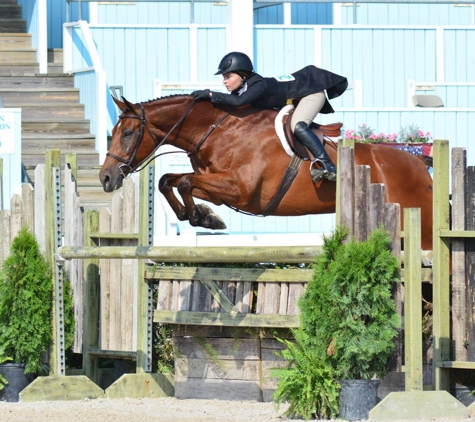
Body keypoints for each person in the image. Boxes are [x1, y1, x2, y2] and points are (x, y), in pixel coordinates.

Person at [191, 52, 348, 182]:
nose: (224, 82)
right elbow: (234, 104)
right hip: (295, 97)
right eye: (224, 77)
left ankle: (328, 165)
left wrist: (210, 94)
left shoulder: (259, 84)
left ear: (242, 75)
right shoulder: (243, 88)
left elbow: (239, 102)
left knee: (298, 125)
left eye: (228, 76)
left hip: (311, 93)